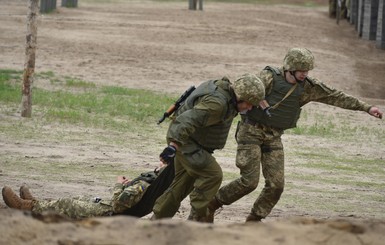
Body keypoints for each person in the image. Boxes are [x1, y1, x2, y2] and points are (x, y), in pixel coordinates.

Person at [207, 47, 383, 222]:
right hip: (251, 131)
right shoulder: (269, 77)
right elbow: (244, 91)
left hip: (274, 136)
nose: (305, 74)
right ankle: (211, 205)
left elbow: (335, 96)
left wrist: (366, 107)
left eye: (307, 70)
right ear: (290, 68)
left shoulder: (307, 87)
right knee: (249, 182)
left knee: (277, 185)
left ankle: (254, 219)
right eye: (301, 70)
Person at [152, 73, 265, 222]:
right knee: (212, 174)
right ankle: (200, 217)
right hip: (185, 142)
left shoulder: (227, 92)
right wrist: (173, 146)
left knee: (180, 186)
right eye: (249, 104)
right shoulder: (217, 105)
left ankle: (157, 221)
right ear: (240, 97)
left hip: (190, 141)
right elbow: (186, 120)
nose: (250, 108)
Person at [2, 162, 174, 219]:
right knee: (77, 198)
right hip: (108, 208)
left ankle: (27, 207)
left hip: (109, 212)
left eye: (162, 163)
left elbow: (118, 204)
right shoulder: (151, 184)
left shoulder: (144, 185)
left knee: (68, 204)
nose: (159, 163)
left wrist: (119, 185)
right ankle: (37, 204)